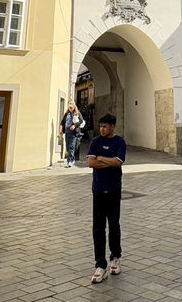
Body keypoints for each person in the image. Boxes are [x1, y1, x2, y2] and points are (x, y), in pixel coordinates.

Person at [87, 113, 126, 283]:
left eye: (105, 126)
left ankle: (115, 257)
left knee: (114, 225)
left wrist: (101, 158)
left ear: (112, 127)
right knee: (98, 228)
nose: (102, 129)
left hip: (114, 190)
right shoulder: (95, 142)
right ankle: (100, 264)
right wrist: (107, 161)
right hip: (98, 190)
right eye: (100, 126)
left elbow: (118, 162)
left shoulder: (119, 142)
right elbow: (91, 163)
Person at [59, 100, 83, 168]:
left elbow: (81, 120)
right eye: (69, 107)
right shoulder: (67, 114)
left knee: (71, 147)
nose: (70, 109)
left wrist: (74, 125)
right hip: (67, 132)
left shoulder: (77, 113)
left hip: (73, 133)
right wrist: (60, 128)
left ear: (74, 107)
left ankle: (70, 161)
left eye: (71, 107)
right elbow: (62, 122)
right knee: (67, 147)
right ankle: (71, 159)